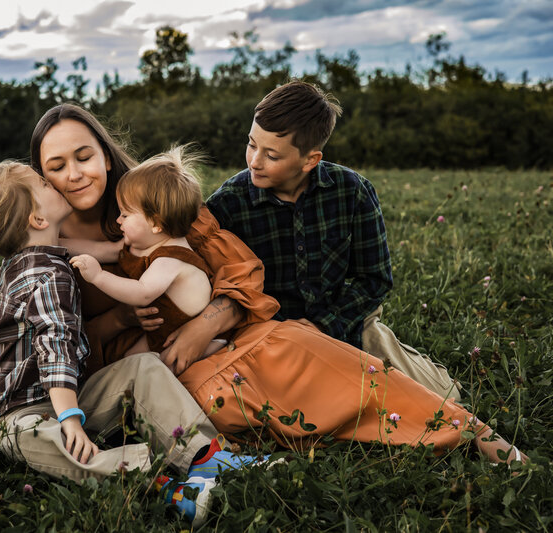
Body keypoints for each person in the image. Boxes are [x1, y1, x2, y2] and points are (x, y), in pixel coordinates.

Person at [29, 103, 527, 467]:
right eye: (57, 166)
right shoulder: (43, 240)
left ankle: (460, 426)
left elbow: (241, 272)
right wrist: (118, 317)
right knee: (237, 400)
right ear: (41, 178)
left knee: (294, 343)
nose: (75, 174)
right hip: (152, 368)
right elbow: (51, 343)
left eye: (84, 155)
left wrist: (209, 320)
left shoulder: (152, 196)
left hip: (221, 339)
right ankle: (369, 430)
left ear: (104, 153)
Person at [0, 160, 267, 525]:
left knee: (142, 367)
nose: (55, 182)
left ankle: (205, 455)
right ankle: (162, 486)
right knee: (40, 440)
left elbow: (103, 253)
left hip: (73, 392)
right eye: (44, 183)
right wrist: (70, 420)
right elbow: (56, 350)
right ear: (37, 220)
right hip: (20, 412)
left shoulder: (26, 263)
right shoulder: (49, 276)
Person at [206, 79, 461, 401]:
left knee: (442, 400)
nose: (255, 161)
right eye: (251, 144)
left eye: (271, 155)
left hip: (346, 322)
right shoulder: (227, 204)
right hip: (268, 334)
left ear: (310, 160)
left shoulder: (352, 191)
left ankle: (412, 369)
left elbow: (374, 279)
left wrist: (324, 326)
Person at [69, 146, 226, 358]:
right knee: (129, 361)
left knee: (145, 364)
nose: (118, 220)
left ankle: (217, 348)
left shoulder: (171, 258)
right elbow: (105, 250)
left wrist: (98, 276)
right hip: (161, 328)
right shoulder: (145, 243)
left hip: (182, 329)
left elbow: (142, 293)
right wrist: (55, 243)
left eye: (125, 215)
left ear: (155, 223)